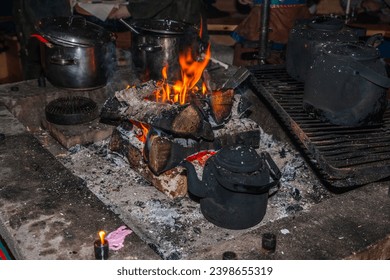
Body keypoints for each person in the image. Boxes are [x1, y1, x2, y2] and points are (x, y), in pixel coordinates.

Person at [13, 0, 72, 80]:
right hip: (33, 39)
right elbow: (20, 16)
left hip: (50, 41)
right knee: (33, 75)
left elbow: (64, 21)